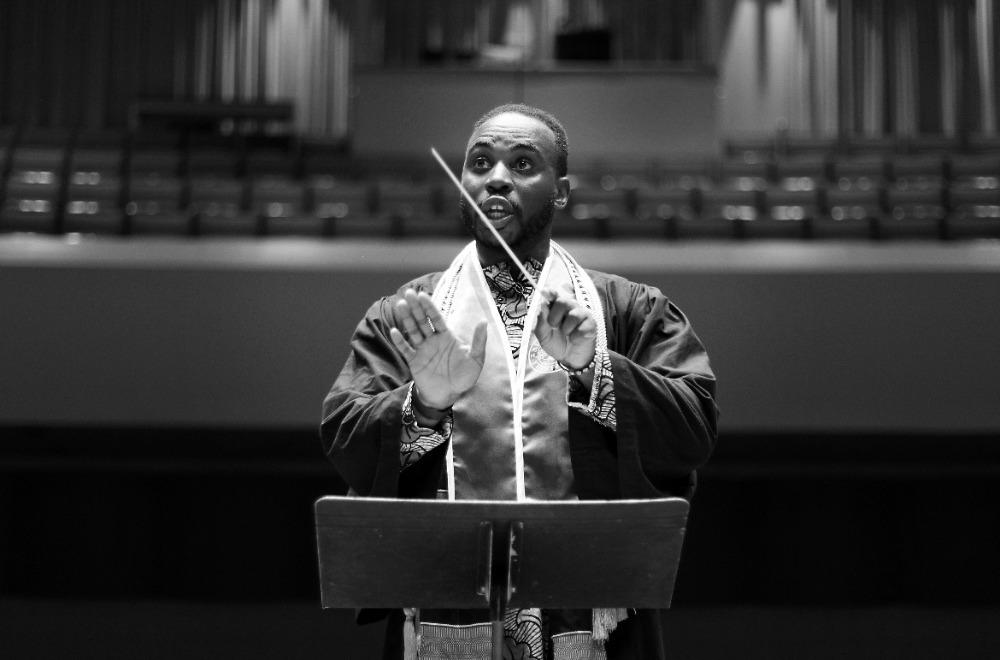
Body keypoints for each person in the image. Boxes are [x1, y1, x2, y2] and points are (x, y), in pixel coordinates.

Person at [320, 103, 718, 660]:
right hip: (441, 603)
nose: (497, 177)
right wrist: (424, 405)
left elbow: (694, 427)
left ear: (562, 190)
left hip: (592, 614)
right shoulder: (411, 315)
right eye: (480, 162)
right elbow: (344, 437)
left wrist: (596, 371)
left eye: (523, 163)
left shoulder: (626, 309)